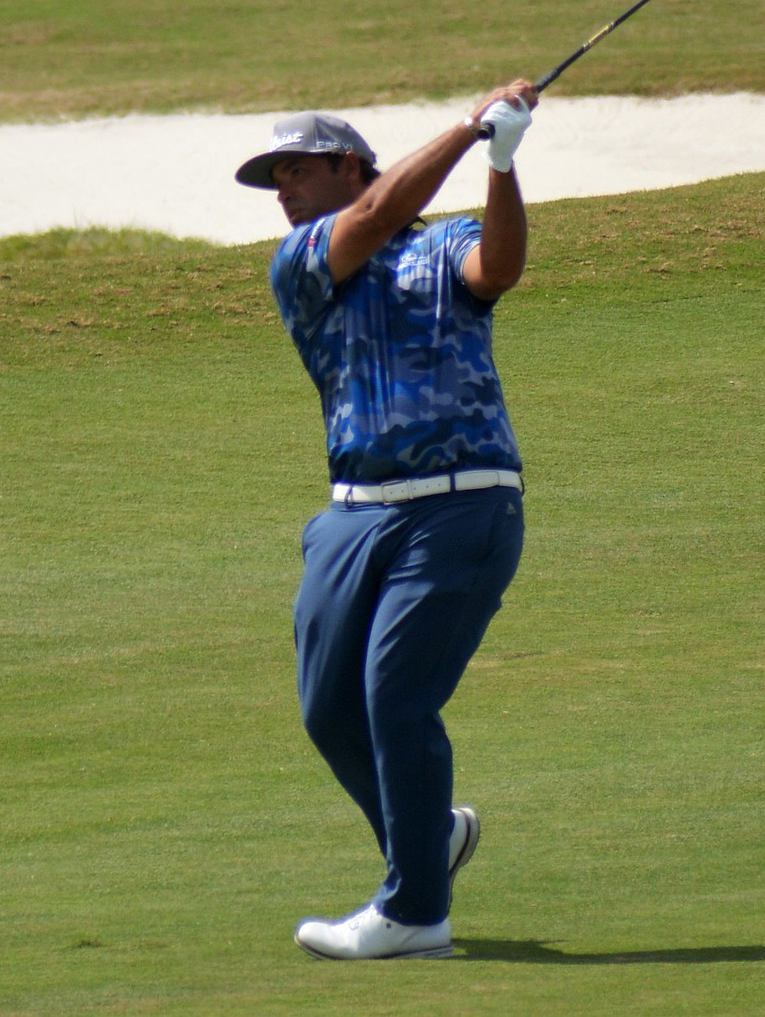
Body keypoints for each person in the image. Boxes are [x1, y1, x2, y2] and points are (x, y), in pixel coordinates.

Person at [235, 79, 537, 959]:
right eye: (274, 175)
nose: (282, 189)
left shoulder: (445, 245)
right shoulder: (301, 261)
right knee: (330, 708)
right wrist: (463, 129)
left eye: (295, 168)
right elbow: (368, 220)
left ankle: (415, 911)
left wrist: (502, 161)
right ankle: (428, 835)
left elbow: (501, 268)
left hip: (463, 503)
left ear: (347, 163)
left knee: (396, 697)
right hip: (352, 517)